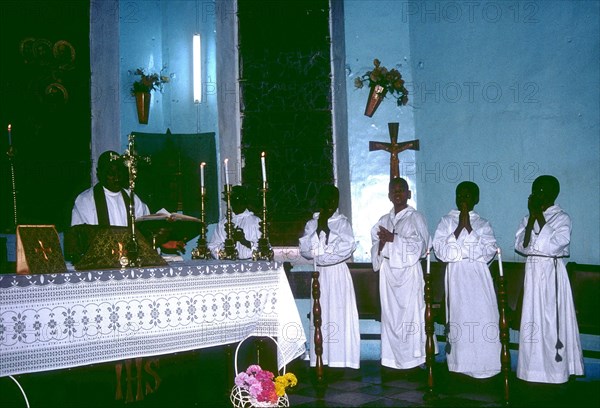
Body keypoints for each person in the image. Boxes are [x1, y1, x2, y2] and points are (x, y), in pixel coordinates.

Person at [515, 175, 584, 383]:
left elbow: (555, 244)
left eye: (541, 191)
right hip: (533, 272)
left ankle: (556, 372)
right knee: (532, 320)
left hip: (552, 272)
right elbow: (522, 246)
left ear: (552, 194)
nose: (536, 195)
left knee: (552, 321)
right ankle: (532, 371)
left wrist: (539, 216)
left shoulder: (562, 218)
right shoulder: (527, 219)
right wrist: (532, 218)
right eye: (534, 190)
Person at [432, 181, 501, 378]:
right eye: (460, 195)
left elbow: (487, 253)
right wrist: (458, 228)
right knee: (459, 321)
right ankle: (459, 367)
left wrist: (468, 228)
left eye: (468, 195)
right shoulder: (446, 221)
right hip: (456, 277)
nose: (463, 199)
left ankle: (486, 367)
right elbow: (442, 252)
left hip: (478, 278)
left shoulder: (483, 224)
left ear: (476, 199)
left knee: (482, 319)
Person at [371, 177, 434, 370]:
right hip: (389, 275)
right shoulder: (383, 220)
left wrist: (393, 239)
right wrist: (382, 243)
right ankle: (392, 361)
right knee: (390, 318)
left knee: (411, 317)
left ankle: (415, 361)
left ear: (409, 194)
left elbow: (420, 247)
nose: (398, 193)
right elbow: (375, 246)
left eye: (402, 190)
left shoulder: (416, 218)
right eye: (394, 190)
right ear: (389, 195)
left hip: (408, 274)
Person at [299, 184, 361, 369]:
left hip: (338, 274)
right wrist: (319, 232)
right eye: (327, 198)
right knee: (321, 315)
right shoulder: (312, 224)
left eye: (334, 199)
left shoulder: (342, 223)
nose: (331, 203)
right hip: (320, 275)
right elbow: (305, 249)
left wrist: (325, 244)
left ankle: (341, 360)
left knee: (339, 315)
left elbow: (346, 247)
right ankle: (322, 358)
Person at [71, 150, 149, 226]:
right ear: (99, 173)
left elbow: (146, 223)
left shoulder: (132, 198)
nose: (117, 178)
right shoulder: (85, 201)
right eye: (111, 173)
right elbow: (77, 233)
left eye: (119, 172)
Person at [208, 185, 261, 259]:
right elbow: (212, 248)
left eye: (241, 200)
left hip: (250, 263)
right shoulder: (223, 224)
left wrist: (245, 241)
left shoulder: (255, 221)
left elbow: (263, 248)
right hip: (227, 264)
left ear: (246, 201)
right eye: (235, 201)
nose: (238, 204)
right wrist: (230, 242)